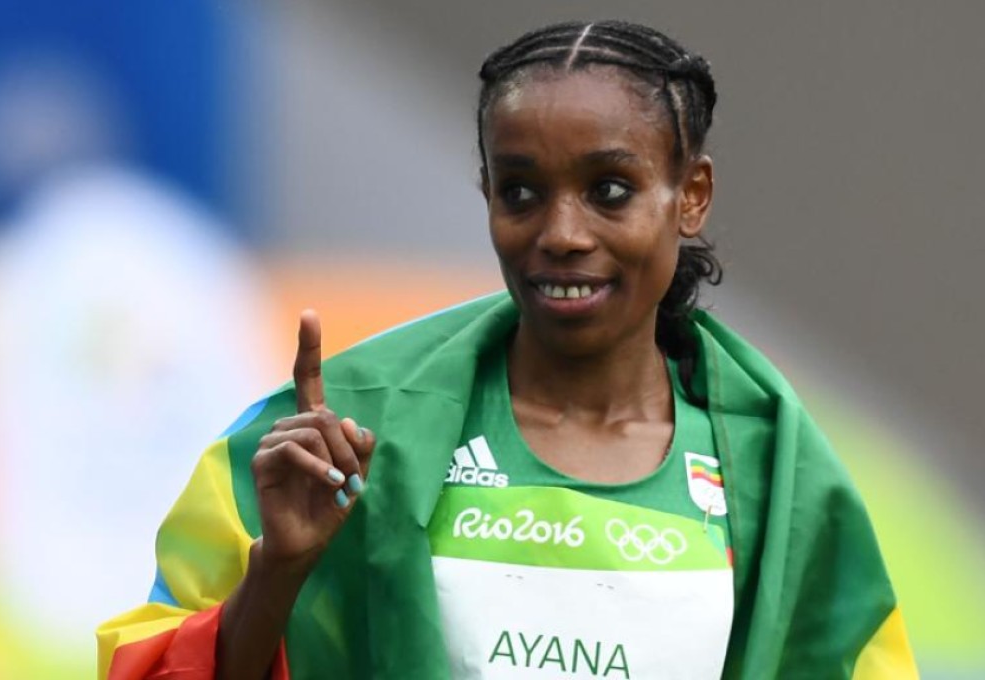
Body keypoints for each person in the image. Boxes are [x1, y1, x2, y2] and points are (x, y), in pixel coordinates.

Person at [97, 20, 918, 679]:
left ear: (690, 196)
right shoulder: (329, 442)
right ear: (488, 192)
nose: (561, 234)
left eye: (609, 191)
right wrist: (278, 571)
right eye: (521, 191)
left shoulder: (781, 482)